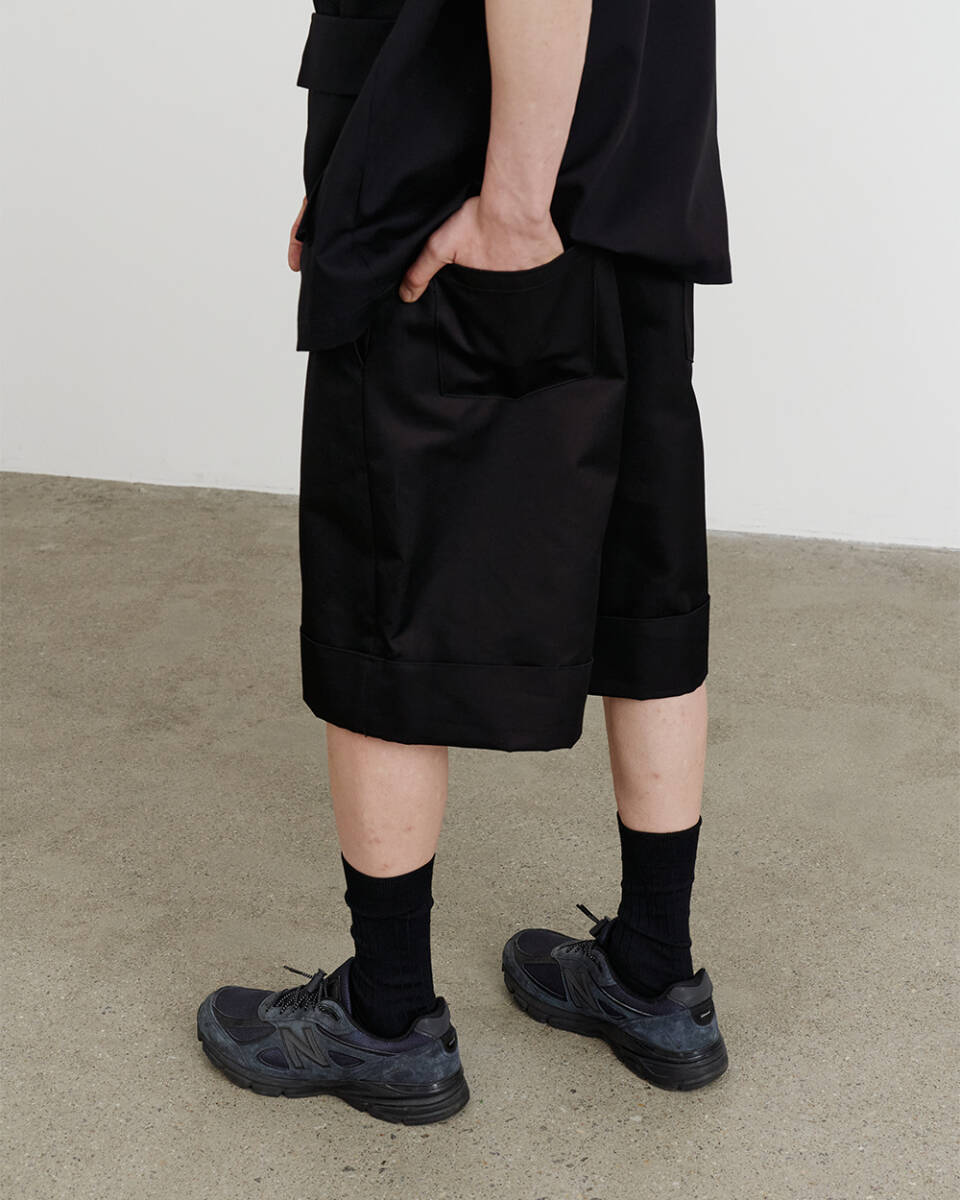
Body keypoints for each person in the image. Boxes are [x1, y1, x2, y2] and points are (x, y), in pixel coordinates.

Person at [197, 0, 732, 1124]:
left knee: (388, 599)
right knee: (644, 579)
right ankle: (653, 973)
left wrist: (511, 204)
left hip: (464, 189)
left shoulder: (495, 202)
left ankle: (386, 1019)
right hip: (630, 161)